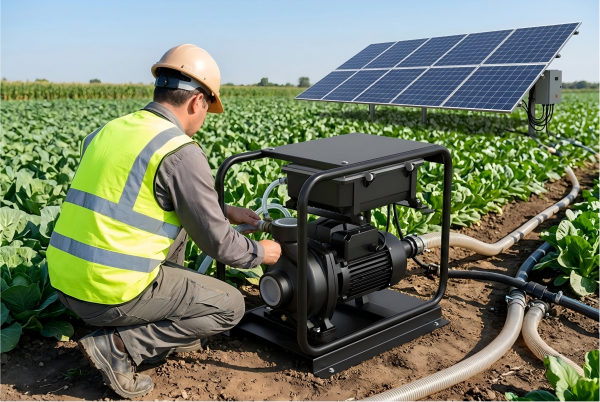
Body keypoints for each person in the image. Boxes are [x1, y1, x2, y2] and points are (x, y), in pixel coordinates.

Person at [47, 44, 282, 399]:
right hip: (109, 293)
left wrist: (225, 210)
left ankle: (156, 322)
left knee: (182, 224)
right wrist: (262, 252)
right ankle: (121, 347)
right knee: (230, 305)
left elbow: (136, 199)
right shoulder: (179, 150)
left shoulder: (110, 130)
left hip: (66, 284)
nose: (203, 121)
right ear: (196, 102)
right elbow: (221, 245)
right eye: (208, 110)